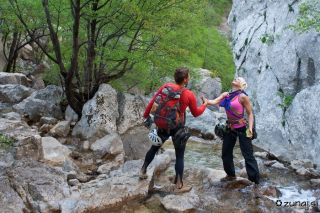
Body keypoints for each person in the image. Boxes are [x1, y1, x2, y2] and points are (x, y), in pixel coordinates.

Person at [140, 66, 208, 194]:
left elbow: (153, 103)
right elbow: (196, 113)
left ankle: (143, 170)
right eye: (189, 76)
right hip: (177, 126)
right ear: (186, 79)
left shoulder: (166, 87)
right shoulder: (188, 94)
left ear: (175, 77)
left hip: (162, 124)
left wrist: (145, 118)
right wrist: (205, 104)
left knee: (154, 148)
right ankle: (179, 185)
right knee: (179, 156)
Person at [201, 77, 262, 198]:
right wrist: (206, 101)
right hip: (230, 127)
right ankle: (231, 175)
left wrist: (250, 128)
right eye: (235, 78)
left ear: (241, 85)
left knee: (248, 155)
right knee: (226, 153)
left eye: (238, 79)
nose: (235, 79)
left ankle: (256, 183)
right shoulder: (226, 94)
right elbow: (214, 102)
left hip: (242, 128)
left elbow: (249, 114)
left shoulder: (243, 97)